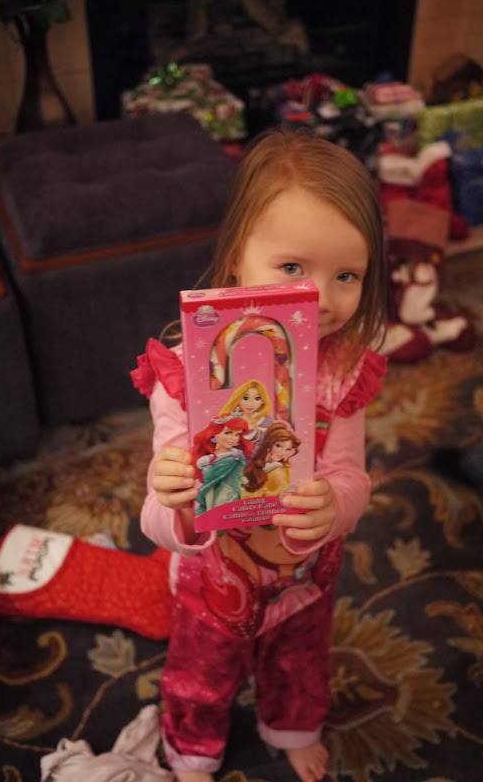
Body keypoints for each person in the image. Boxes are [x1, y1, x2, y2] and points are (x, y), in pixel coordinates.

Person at [132, 127, 388, 782]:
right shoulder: (186, 377)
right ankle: (192, 749)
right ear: (237, 258)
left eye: (347, 275)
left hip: (306, 573)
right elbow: (156, 520)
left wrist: (336, 504)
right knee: (201, 668)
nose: (319, 298)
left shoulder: (342, 372)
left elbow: (353, 476)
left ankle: (292, 725)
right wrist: (174, 498)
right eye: (293, 267)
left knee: (299, 657)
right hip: (213, 578)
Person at [191, 412, 253, 514]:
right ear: (215, 433)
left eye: (237, 434)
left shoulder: (238, 454)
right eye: (228, 433)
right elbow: (208, 486)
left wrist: (250, 485)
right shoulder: (207, 460)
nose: (233, 438)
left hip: (236, 495)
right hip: (217, 499)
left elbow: (240, 475)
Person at [242, 422, 301, 498]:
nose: (283, 452)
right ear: (269, 443)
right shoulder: (255, 461)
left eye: (288, 449)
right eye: (278, 446)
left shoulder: (279, 468)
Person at [219, 379, 273, 451]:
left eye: (257, 398)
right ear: (238, 400)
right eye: (245, 398)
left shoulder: (265, 421)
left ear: (262, 401)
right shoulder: (232, 420)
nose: (250, 404)